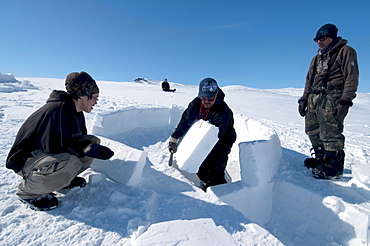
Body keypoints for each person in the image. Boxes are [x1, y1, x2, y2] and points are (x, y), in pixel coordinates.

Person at [6, 71, 114, 210]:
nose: (96, 102)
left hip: (46, 157)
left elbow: (78, 139)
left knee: (92, 142)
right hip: (26, 161)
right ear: (82, 95)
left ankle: (62, 181)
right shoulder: (57, 109)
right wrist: (85, 149)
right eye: (94, 97)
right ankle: (29, 192)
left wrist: (90, 147)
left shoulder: (76, 112)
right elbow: (54, 147)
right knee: (69, 160)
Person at [298, 24, 359, 180]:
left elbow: (351, 77)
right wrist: (304, 99)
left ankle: (334, 166)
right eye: (317, 39)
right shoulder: (317, 57)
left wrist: (345, 101)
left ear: (333, 36)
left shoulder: (346, 51)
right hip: (314, 97)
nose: (319, 42)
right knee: (312, 128)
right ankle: (321, 158)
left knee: (330, 130)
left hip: (332, 96)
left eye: (322, 38)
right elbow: (308, 80)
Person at [168, 78, 236, 191]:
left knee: (215, 166)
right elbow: (186, 120)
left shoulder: (223, 114)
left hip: (223, 139)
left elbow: (214, 141)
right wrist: (174, 137)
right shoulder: (197, 103)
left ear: (216, 94)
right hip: (205, 133)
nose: (205, 102)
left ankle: (219, 191)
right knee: (202, 163)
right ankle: (204, 181)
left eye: (209, 99)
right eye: (203, 98)